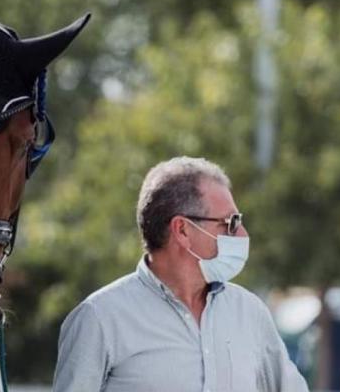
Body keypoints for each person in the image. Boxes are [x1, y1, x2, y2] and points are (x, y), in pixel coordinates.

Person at [52, 157, 309, 392]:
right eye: (231, 223)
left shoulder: (250, 313)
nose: (243, 236)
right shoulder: (100, 319)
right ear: (182, 230)